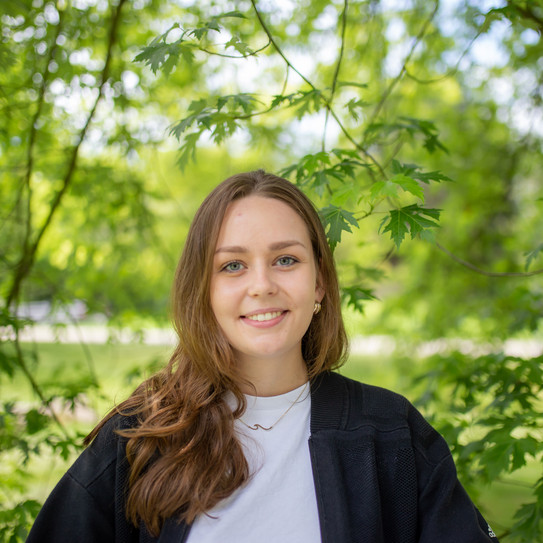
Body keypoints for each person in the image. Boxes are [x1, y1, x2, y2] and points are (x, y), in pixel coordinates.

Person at [27, 170, 499, 543]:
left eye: (286, 259)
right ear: (203, 291)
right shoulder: (144, 435)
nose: (262, 285)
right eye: (232, 265)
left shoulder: (390, 432)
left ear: (319, 283)